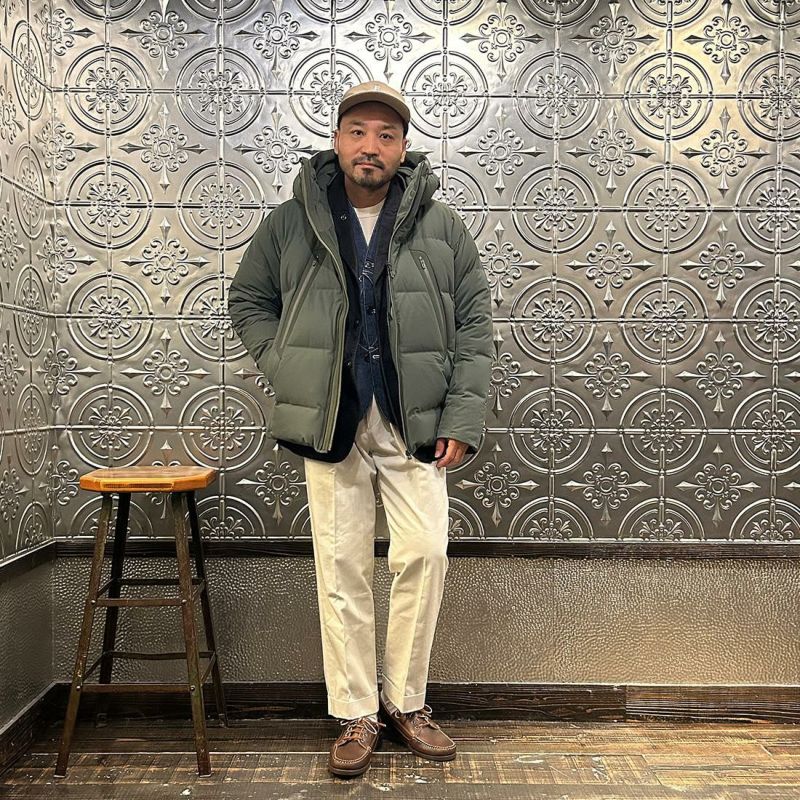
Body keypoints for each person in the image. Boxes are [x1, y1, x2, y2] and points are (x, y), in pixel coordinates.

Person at [227, 80, 492, 778]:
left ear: (403, 149)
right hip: (331, 418)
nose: (370, 146)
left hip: (416, 420)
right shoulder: (292, 221)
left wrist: (462, 416)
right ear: (338, 140)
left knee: (424, 554)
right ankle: (355, 713)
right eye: (358, 132)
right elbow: (248, 299)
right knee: (342, 566)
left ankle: (406, 702)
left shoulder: (442, 226)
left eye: (386, 135)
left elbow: (475, 326)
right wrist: (288, 366)